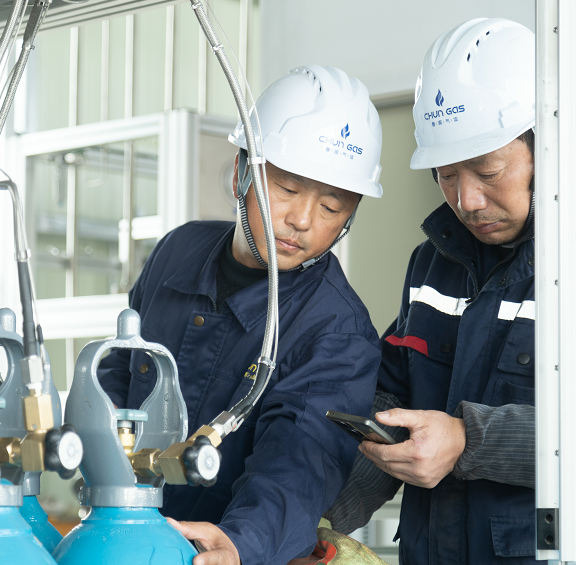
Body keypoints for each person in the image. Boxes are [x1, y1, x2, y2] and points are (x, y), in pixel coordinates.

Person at [98, 65, 385, 565]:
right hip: (118, 535)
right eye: (287, 189)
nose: (302, 220)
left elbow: (304, 457)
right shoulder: (178, 251)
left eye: (332, 207)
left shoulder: (338, 330)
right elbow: (120, 371)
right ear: (241, 172)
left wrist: (242, 542)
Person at [325, 18, 539, 564]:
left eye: (487, 170)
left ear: (550, 148)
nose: (466, 201)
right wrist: (315, 522)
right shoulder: (432, 264)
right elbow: (391, 406)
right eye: (446, 175)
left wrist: (468, 440)